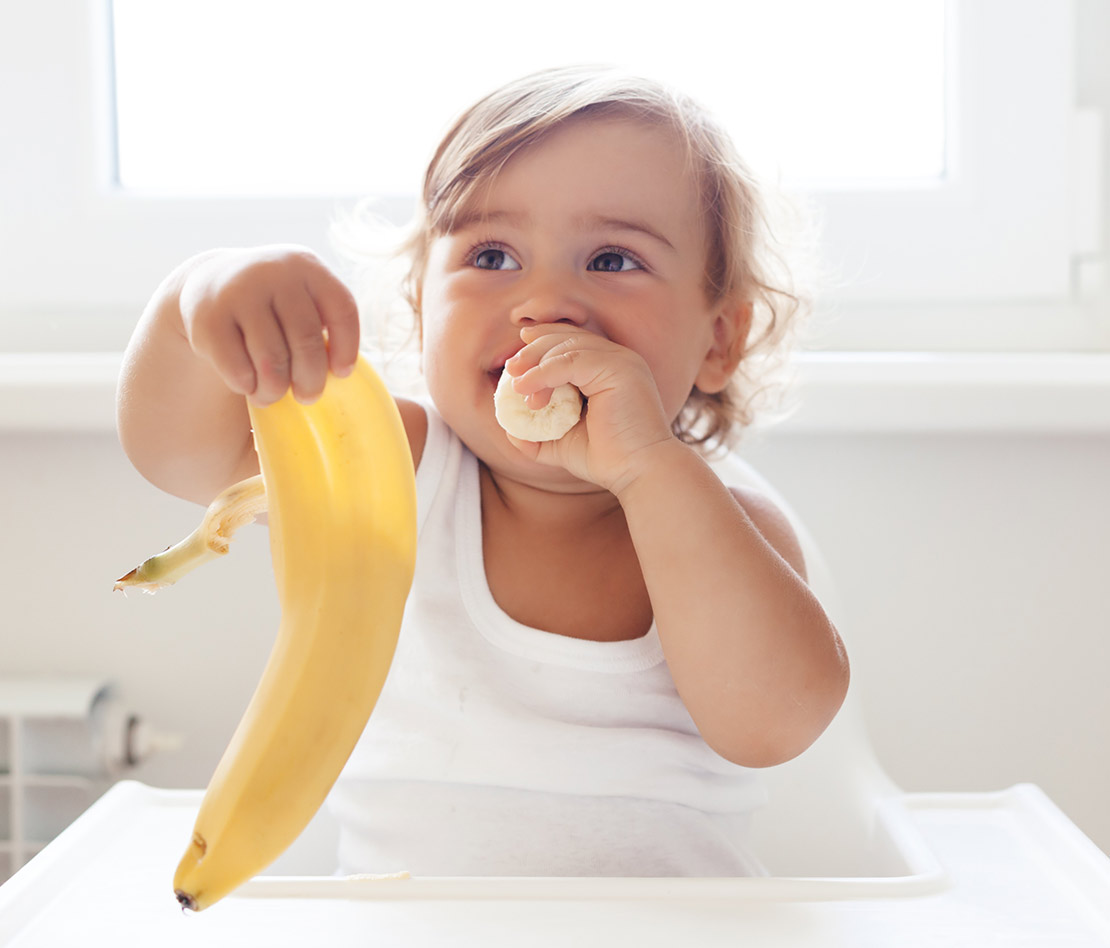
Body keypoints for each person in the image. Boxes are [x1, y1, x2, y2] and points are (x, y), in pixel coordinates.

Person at [117, 65, 849, 877]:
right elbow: (179, 455)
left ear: (720, 340)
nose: (545, 302)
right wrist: (199, 295)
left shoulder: (726, 522)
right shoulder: (392, 471)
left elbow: (774, 725)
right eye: (493, 254)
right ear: (421, 306)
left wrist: (649, 469)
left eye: (612, 260)